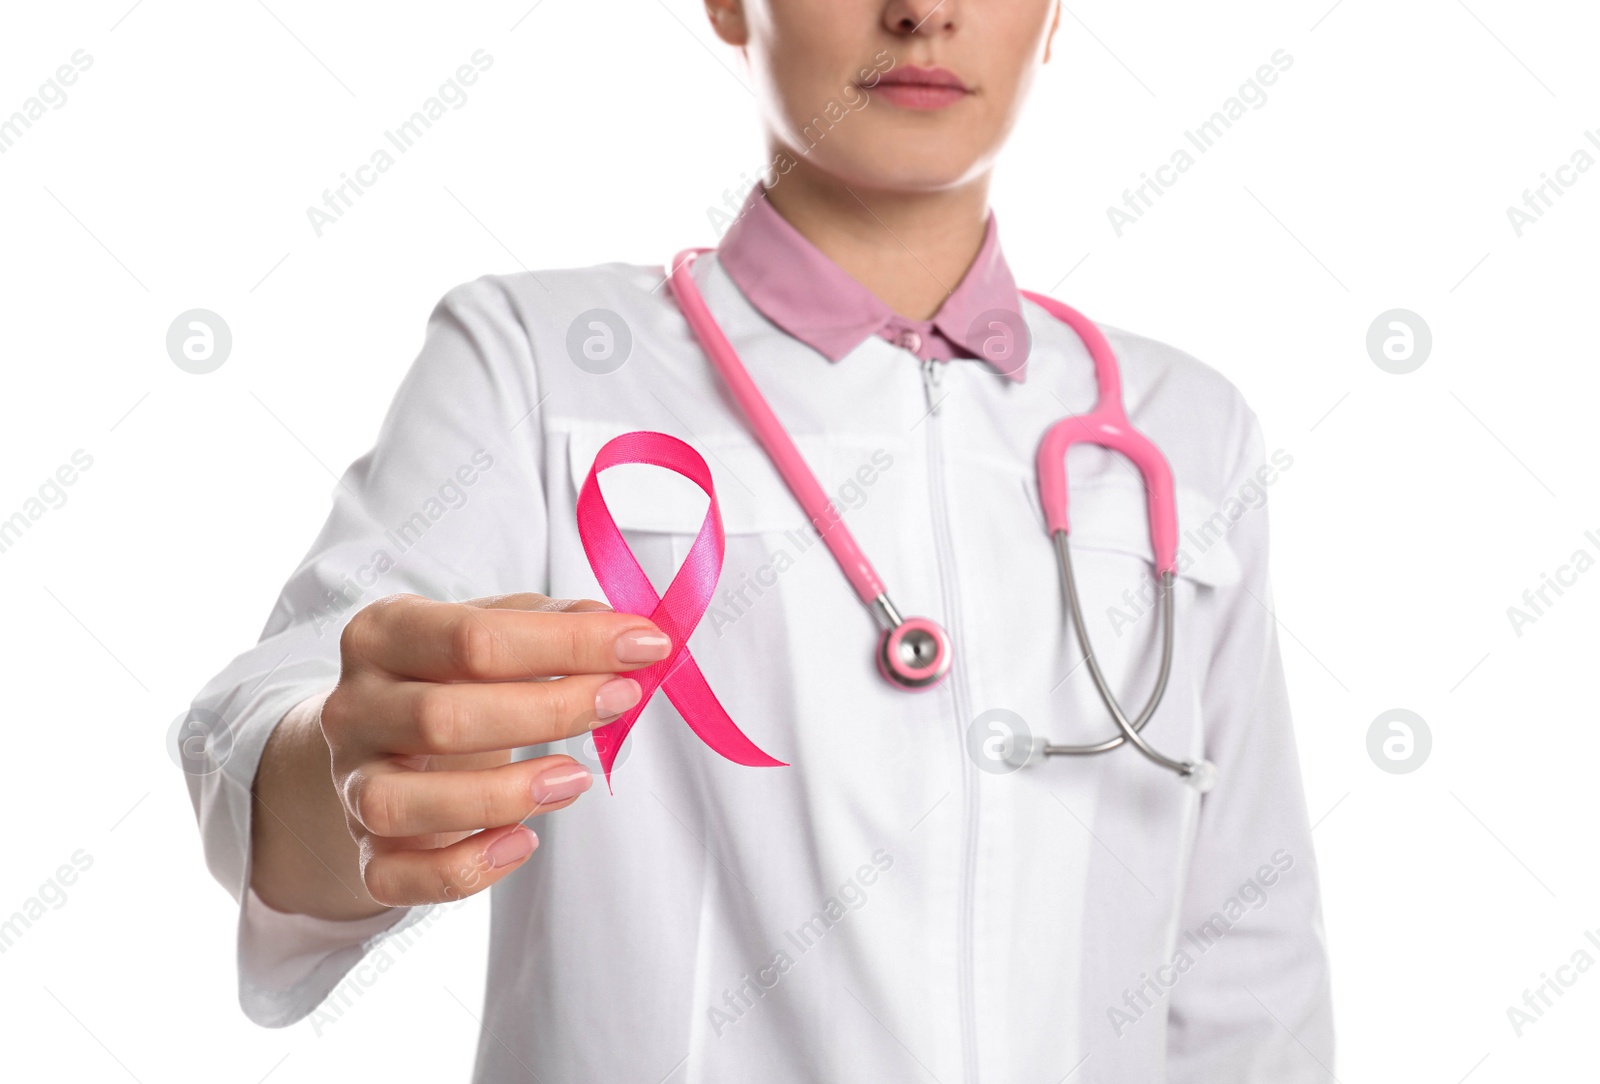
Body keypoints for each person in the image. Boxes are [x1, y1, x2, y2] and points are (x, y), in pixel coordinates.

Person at [184, 1, 1334, 1079]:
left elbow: (1245, 946)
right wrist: (345, 772)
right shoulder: (538, 359)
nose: (923, 8)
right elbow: (287, 721)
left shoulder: (1187, 426)